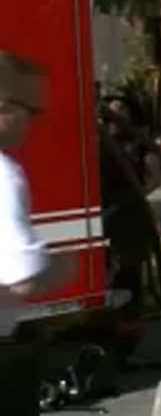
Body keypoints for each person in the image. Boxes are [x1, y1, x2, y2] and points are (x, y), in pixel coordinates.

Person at [0, 53, 74, 415]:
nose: (32, 124)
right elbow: (24, 281)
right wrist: (65, 266)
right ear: (3, 105)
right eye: (32, 111)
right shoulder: (2, 173)